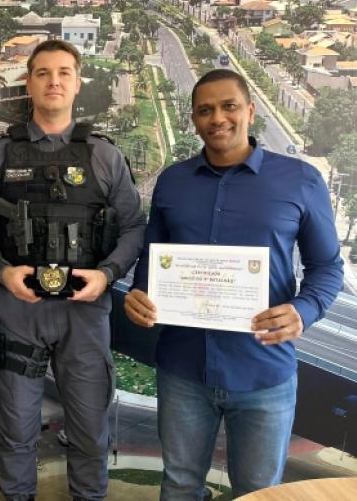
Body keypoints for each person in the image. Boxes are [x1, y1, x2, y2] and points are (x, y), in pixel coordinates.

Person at [124, 69, 344, 499]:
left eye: (229, 106)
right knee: (179, 486)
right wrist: (139, 296)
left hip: (264, 372)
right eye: (205, 110)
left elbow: (327, 267)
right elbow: (153, 261)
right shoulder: (173, 182)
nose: (218, 118)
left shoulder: (301, 180)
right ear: (193, 119)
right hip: (183, 369)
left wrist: (303, 311)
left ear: (251, 110)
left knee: (258, 493)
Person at [0, 39, 147, 500]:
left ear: (77, 84)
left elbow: (133, 227)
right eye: (43, 73)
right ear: (29, 83)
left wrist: (108, 275)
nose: (54, 81)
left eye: (64, 72)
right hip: (19, 312)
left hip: (85, 314)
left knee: (90, 433)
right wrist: (2, 272)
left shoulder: (103, 155)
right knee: (16, 432)